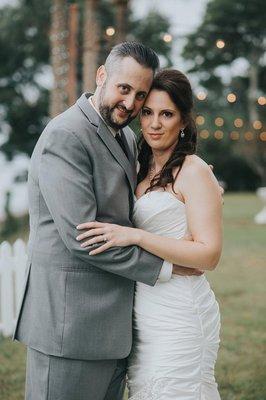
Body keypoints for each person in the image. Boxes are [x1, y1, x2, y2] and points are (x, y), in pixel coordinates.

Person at [13, 42, 202, 400]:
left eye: (140, 94)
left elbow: (152, 185)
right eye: (124, 88)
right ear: (102, 76)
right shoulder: (66, 136)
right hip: (70, 328)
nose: (130, 104)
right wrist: (167, 267)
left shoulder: (127, 137)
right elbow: (84, 238)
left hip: (114, 329)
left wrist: (200, 186)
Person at [76, 69, 222, 399]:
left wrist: (136, 237)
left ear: (183, 120)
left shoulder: (194, 170)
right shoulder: (139, 166)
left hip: (180, 312)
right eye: (147, 112)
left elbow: (209, 255)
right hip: (143, 313)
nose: (154, 123)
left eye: (166, 114)